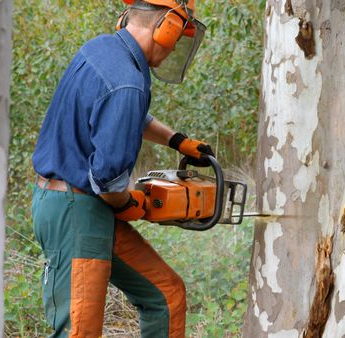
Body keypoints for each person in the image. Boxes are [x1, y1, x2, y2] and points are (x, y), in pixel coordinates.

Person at [31, 0, 211, 336]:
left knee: (166, 295)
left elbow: (127, 116)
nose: (174, 50)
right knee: (79, 331)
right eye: (178, 36)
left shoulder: (102, 50)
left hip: (82, 207)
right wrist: (131, 203)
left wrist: (179, 141)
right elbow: (108, 179)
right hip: (76, 212)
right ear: (167, 28)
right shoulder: (127, 81)